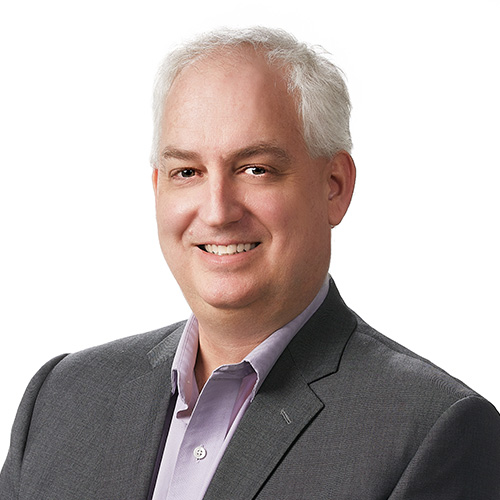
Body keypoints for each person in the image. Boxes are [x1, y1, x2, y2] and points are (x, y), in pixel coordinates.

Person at [1, 26, 499, 500]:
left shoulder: (433, 430)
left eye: (255, 169)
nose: (217, 210)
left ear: (335, 187)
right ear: (157, 188)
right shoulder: (63, 398)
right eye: (187, 171)